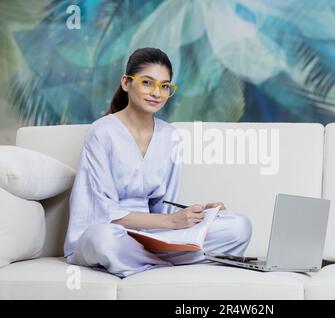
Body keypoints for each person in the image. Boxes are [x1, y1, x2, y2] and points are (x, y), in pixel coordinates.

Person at [63, 48, 252, 278]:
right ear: (126, 82)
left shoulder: (170, 136)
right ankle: (167, 263)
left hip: (153, 236)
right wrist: (171, 221)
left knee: (238, 226)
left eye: (164, 86)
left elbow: (166, 210)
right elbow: (104, 212)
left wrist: (201, 213)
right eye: (147, 83)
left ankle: (148, 262)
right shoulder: (101, 132)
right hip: (107, 234)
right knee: (104, 240)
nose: (156, 93)